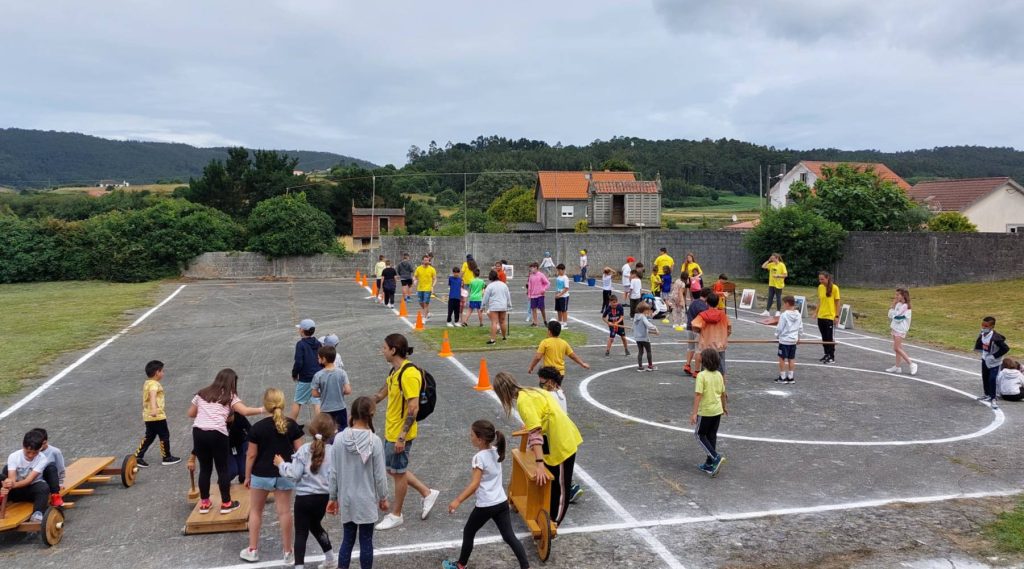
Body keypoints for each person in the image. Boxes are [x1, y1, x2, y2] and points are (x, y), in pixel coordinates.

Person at [493, 372, 582, 526]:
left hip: (561, 442)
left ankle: (554, 523)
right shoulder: (532, 391)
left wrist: (539, 464)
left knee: (561, 488)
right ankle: (547, 516)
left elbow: (535, 435)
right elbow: (542, 414)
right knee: (551, 485)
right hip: (554, 440)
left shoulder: (523, 402)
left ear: (502, 393)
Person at [372, 334, 440, 530]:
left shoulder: (409, 374)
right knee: (393, 469)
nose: (382, 351)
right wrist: (368, 403)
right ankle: (427, 493)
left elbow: (413, 408)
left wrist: (402, 436)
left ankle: (396, 514)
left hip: (400, 433)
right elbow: (384, 390)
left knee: (398, 473)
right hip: (391, 430)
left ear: (393, 350)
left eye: (384, 348)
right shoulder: (395, 370)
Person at [443, 420, 530, 569]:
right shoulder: (496, 450)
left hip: (486, 506)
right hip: (501, 503)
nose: (470, 437)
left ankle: (460, 565)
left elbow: (474, 484)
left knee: (469, 531)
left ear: (480, 439)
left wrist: (457, 500)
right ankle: (526, 566)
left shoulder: (479, 458)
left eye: (472, 435)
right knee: (509, 536)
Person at [240, 388, 305, 563]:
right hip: (284, 473)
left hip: (260, 475)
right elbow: (301, 452)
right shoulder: (292, 425)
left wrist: (247, 476)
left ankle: (253, 549)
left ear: (266, 405)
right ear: (283, 404)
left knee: (256, 511)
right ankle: (288, 552)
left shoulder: (257, 428)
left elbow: (251, 455)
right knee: (284, 512)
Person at [189, 368, 263, 515]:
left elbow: (191, 413)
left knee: (205, 469)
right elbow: (245, 411)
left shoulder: (202, 393)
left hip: (198, 432)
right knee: (222, 469)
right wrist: (264, 409)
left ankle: (204, 503)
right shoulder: (230, 396)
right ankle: (226, 503)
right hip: (217, 433)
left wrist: (206, 411)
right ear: (232, 382)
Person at [328, 397, 389, 569]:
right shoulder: (374, 441)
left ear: (351, 413)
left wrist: (332, 496)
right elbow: (380, 475)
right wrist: (383, 497)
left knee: (347, 540)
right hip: (366, 500)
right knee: (366, 541)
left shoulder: (339, 439)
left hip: (347, 498)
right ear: (371, 415)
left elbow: (334, 472)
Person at [275, 413, 336, 569]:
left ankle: (299, 566)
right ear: (332, 431)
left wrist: (281, 464)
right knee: (315, 525)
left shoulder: (303, 450)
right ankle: (330, 558)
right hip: (323, 497)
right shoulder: (334, 452)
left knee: (301, 533)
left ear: (311, 429)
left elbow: (294, 474)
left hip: (304, 499)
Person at [536, 368, 583, 504]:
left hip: (554, 437)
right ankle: (568, 486)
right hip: (563, 436)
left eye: (542, 383)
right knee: (562, 467)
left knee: (552, 466)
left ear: (550, 382)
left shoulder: (548, 396)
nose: (540, 385)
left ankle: (566, 491)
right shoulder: (560, 393)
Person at [135, 359, 181, 468]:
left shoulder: (147, 383)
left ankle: (137, 456)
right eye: (162, 371)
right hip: (157, 416)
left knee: (149, 436)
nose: (163, 373)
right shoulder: (154, 384)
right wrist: (154, 409)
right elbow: (152, 395)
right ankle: (167, 457)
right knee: (164, 435)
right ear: (157, 372)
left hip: (148, 416)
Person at [691, 348, 727, 477]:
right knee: (711, 436)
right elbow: (723, 393)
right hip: (717, 410)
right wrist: (724, 407)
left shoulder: (701, 375)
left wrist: (694, 413)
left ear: (704, 361)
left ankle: (715, 457)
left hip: (705, 411)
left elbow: (698, 395)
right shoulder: (719, 374)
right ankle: (709, 463)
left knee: (699, 435)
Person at [1, 430, 50, 523]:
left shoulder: (42, 458)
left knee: (43, 487)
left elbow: (29, 480)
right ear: (23, 446)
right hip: (15, 491)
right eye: (28, 452)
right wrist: (7, 485)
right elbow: (12, 478)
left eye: (35, 453)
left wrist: (12, 485)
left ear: (40, 449)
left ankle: (37, 514)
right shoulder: (14, 456)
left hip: (30, 490)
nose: (31, 455)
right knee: (2, 478)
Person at [312, 345, 352, 435]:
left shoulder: (318, 375)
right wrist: (339, 392)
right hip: (340, 407)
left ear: (324, 359)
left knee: (326, 432)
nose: (318, 360)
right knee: (342, 432)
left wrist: (323, 393)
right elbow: (348, 390)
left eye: (319, 358)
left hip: (326, 409)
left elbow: (314, 393)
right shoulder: (342, 372)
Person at [690, 292, 732, 377]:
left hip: (706, 346)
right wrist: (724, 336)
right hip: (720, 346)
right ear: (717, 303)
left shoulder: (702, 315)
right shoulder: (723, 315)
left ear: (707, 302)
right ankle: (722, 389)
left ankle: (705, 389)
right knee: (721, 372)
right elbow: (729, 329)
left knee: (705, 372)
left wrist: (700, 331)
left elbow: (694, 326)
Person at [292, 318, 323, 420]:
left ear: (302, 330)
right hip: (317, 375)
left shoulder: (300, 344)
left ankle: (290, 425)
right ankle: (320, 426)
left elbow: (299, 362)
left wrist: (294, 373)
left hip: (306, 377)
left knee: (298, 400)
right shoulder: (318, 343)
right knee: (316, 401)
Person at [975, 316, 1010, 406]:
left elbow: (1005, 349)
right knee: (985, 377)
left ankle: (993, 397)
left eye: (986, 326)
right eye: (982, 325)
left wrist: (994, 356)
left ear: (992, 327)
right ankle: (986, 394)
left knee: (992, 378)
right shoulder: (982, 334)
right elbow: (981, 343)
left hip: (994, 362)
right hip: (985, 359)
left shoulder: (996, 338)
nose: (983, 327)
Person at [28, 428, 65, 507]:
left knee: (51, 467)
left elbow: (60, 468)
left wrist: (60, 482)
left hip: (49, 478)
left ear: (45, 442)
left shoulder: (55, 452)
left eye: (42, 444)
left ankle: (55, 495)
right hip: (35, 478)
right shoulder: (31, 451)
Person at [887, 288, 917, 375]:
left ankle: (912, 364)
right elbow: (890, 315)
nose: (895, 296)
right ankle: (897, 367)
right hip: (895, 327)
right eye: (895, 295)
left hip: (901, 329)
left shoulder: (906, 306)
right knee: (898, 349)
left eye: (898, 295)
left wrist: (893, 314)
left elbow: (898, 318)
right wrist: (893, 305)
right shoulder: (898, 304)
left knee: (896, 348)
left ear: (903, 295)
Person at [774, 296, 803, 384]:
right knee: (791, 358)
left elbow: (780, 327)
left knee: (782, 358)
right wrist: (799, 337)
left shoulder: (784, 315)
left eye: (784, 303)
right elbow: (800, 327)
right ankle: (790, 377)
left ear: (787, 303)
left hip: (784, 340)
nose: (783, 305)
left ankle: (782, 377)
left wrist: (777, 335)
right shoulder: (798, 314)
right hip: (793, 340)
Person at [683, 288, 710, 376]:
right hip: (697, 329)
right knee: (699, 349)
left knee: (690, 347)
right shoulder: (704, 307)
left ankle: (687, 364)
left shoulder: (693, 302)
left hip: (689, 327)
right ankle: (697, 371)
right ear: (708, 296)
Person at [815, 272, 840, 364]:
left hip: (829, 316)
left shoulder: (834, 288)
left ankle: (831, 356)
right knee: (824, 337)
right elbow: (820, 301)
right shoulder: (820, 287)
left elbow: (837, 303)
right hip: (821, 315)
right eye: (819, 279)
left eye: (822, 279)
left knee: (829, 337)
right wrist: (816, 312)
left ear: (827, 278)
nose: (820, 281)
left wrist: (836, 316)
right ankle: (826, 353)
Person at [482, 270, 512, 344]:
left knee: (494, 322)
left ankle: (493, 340)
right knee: (502, 321)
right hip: (503, 306)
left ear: (490, 278)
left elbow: (485, 297)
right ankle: (504, 337)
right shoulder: (504, 285)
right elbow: (508, 295)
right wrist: (509, 305)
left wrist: (482, 306)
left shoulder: (490, 286)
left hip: (494, 306)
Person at [633, 302, 660, 372]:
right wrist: (655, 328)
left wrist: (652, 332)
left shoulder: (635, 316)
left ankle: (640, 367)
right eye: (647, 310)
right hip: (644, 338)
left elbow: (638, 327)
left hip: (637, 338)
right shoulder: (643, 317)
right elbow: (648, 325)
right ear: (644, 310)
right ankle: (650, 366)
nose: (648, 311)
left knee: (640, 352)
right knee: (648, 351)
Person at [413, 255, 437, 322]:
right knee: (421, 302)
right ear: (422, 261)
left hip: (428, 288)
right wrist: (414, 280)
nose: (426, 261)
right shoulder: (418, 268)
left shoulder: (432, 269)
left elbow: (435, 279)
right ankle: (428, 313)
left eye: (428, 260)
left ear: (429, 261)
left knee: (425, 303)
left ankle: (424, 318)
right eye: (425, 260)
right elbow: (415, 276)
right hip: (420, 288)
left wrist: (432, 286)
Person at [554, 263, 570, 329]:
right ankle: (560, 321)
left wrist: (560, 295)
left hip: (564, 297)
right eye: (558, 270)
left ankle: (565, 322)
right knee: (558, 309)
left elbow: (566, 288)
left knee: (564, 310)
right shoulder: (558, 277)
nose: (558, 271)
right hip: (558, 296)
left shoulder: (565, 278)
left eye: (559, 270)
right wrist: (556, 294)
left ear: (563, 270)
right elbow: (557, 287)